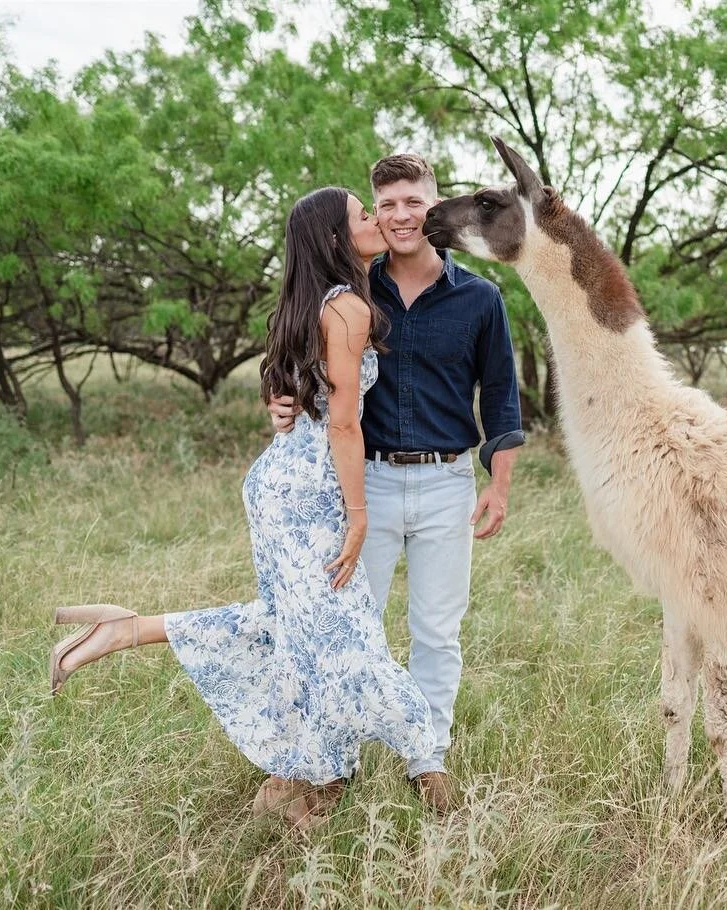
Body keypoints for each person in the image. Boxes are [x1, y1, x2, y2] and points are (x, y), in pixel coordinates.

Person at [48, 187, 435, 832]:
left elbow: (293, 395)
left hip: (284, 485)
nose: (375, 219)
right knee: (338, 643)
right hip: (308, 496)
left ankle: (128, 630)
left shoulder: (314, 302)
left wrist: (285, 410)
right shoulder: (345, 309)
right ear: (335, 240)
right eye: (362, 214)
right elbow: (342, 424)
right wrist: (359, 514)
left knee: (302, 630)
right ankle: (422, 764)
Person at [268, 153, 525, 814]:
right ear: (375, 214)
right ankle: (334, 764)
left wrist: (498, 484)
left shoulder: (480, 299)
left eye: (412, 201)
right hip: (367, 485)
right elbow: (297, 352)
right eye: (386, 205)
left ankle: (426, 756)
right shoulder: (355, 292)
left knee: (437, 630)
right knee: (352, 627)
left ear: (431, 207)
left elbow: (499, 397)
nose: (401, 215)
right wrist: (277, 398)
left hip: (446, 485)